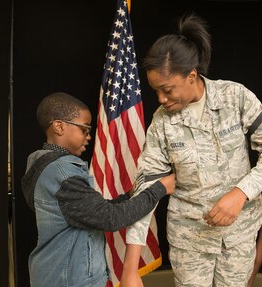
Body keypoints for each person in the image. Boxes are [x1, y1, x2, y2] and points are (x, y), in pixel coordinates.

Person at [120, 14, 262, 287]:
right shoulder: (161, 123)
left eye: (167, 90)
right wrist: (130, 267)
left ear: (191, 76)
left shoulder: (234, 97)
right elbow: (146, 190)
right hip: (190, 240)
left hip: (238, 236)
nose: (161, 99)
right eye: (156, 91)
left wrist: (240, 193)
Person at [21, 92, 175, 287]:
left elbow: (86, 212)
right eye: (84, 130)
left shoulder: (45, 166)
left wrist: (127, 196)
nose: (88, 137)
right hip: (69, 279)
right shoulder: (63, 174)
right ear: (59, 126)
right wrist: (160, 188)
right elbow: (110, 218)